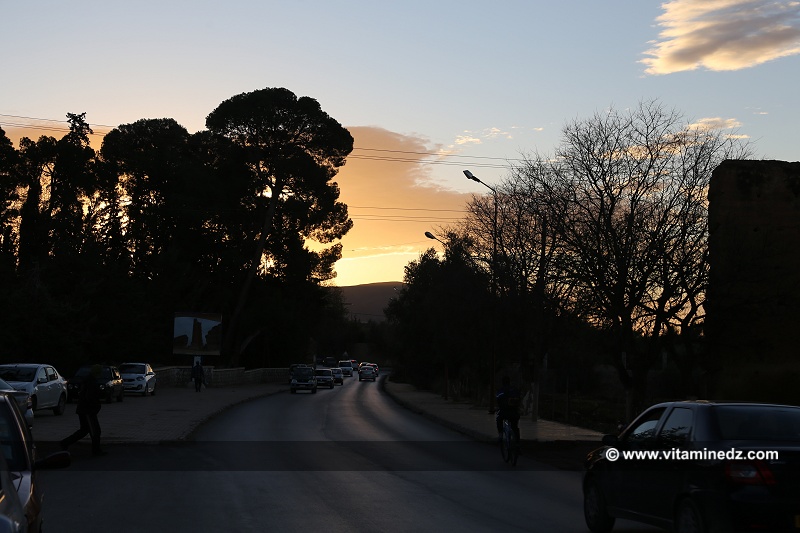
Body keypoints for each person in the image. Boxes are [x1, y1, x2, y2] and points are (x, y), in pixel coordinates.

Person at [61, 364, 105, 456]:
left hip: (86, 410)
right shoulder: (91, 382)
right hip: (88, 411)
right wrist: (95, 406)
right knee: (95, 430)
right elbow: (89, 397)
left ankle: (65, 443)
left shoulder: (89, 380)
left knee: (85, 430)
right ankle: (96, 450)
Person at [495, 376, 521, 444]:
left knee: (498, 419)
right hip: (514, 413)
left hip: (504, 412)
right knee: (515, 427)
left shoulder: (501, 390)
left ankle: (500, 435)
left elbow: (497, 399)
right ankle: (518, 445)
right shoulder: (514, 389)